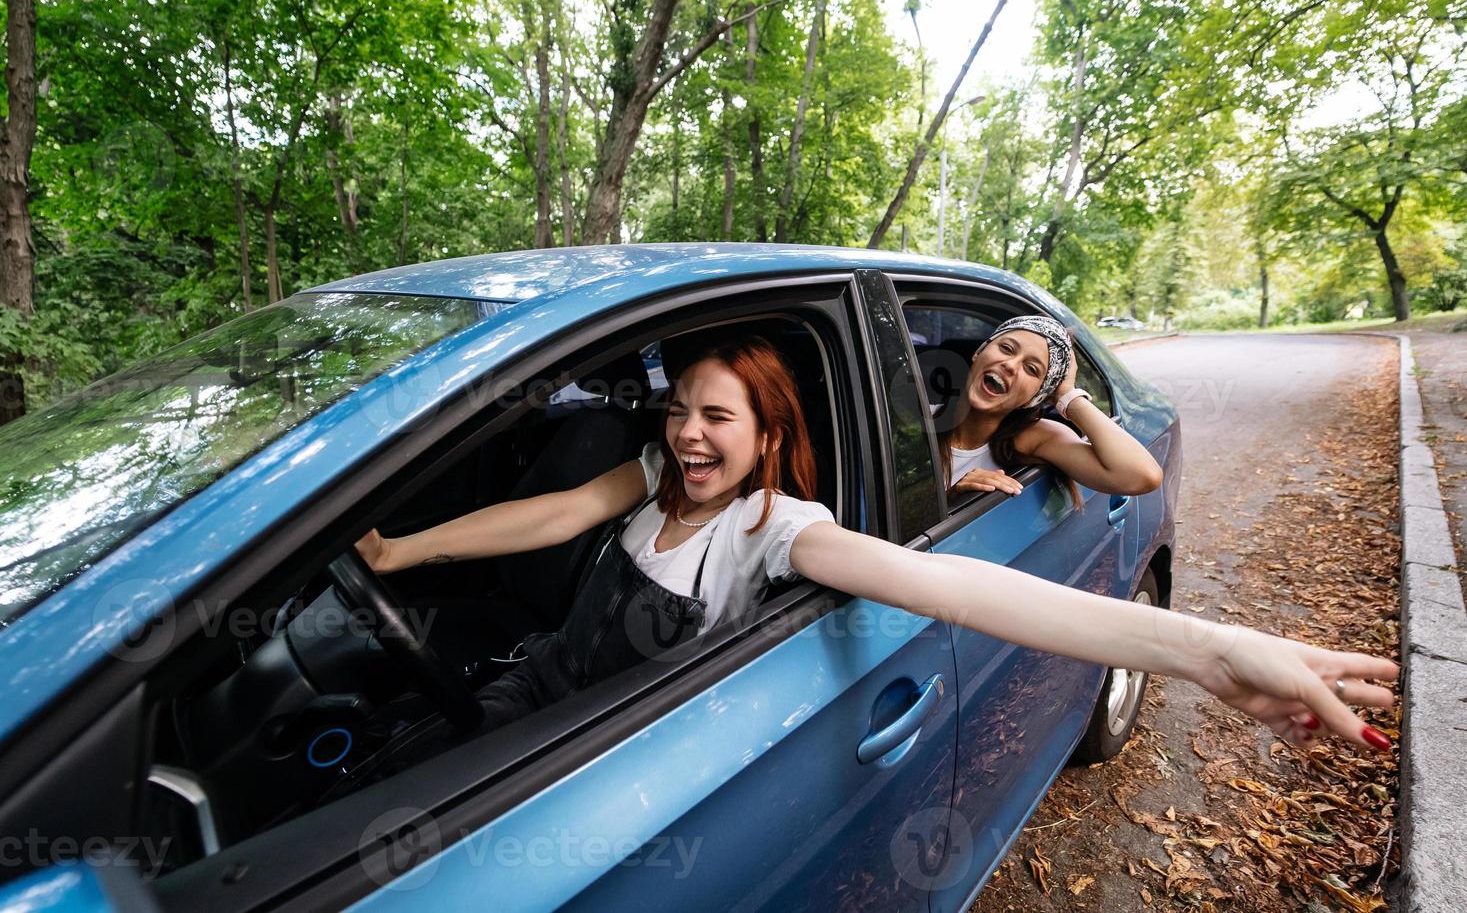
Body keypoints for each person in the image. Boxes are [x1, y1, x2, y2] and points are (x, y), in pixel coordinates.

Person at [356, 333, 1396, 756]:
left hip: (572, 758)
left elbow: (944, 580)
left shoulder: (777, 526)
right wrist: (406, 552)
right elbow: (553, 513)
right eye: (681, 410)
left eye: (720, 418)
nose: (688, 432)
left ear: (768, 435)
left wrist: (1212, 650)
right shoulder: (653, 476)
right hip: (522, 698)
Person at [936, 315, 1163, 501]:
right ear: (979, 353)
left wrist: (1067, 396)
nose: (1010, 365)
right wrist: (953, 495)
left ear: (1035, 398)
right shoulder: (915, 421)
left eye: (1032, 369)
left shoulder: (1034, 437)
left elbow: (1142, 475)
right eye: (1006, 348)